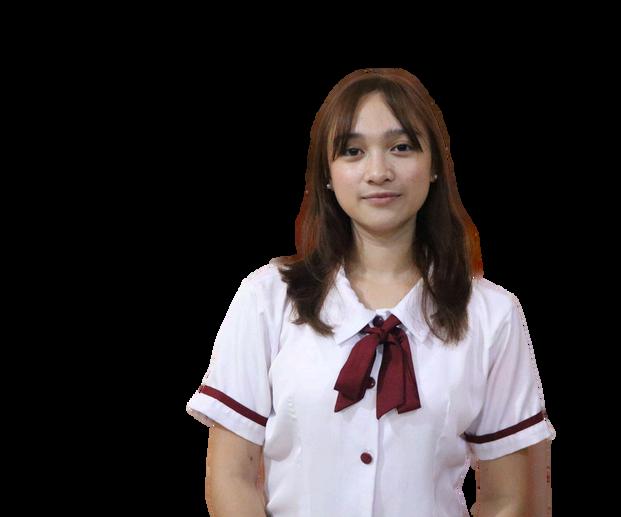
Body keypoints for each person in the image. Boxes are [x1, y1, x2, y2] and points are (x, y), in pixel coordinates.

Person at [186, 67, 556, 517]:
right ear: (327, 173)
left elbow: (507, 497)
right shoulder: (267, 298)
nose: (378, 172)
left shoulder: (493, 315)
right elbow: (232, 475)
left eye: (401, 147)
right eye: (353, 151)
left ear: (435, 165)